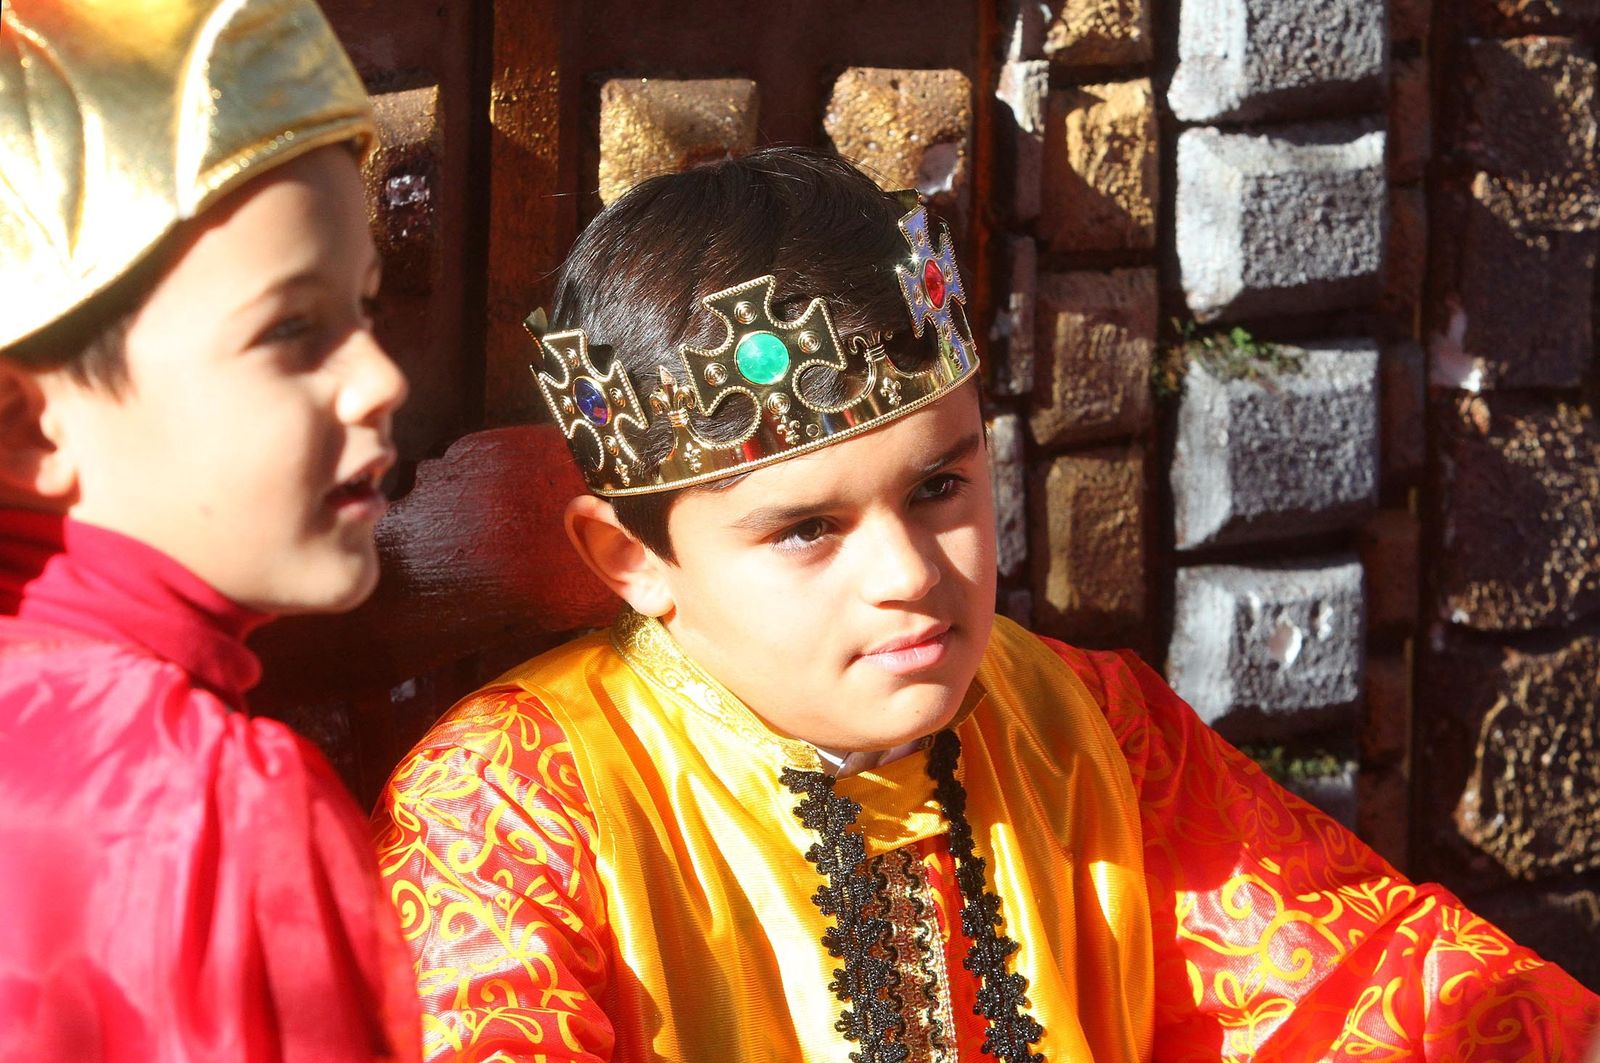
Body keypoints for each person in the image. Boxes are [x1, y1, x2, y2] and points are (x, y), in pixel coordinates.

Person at [373, 148, 1599, 1062]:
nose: (909, 571)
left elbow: (1381, 992)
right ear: (629, 558)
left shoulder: (1093, 731)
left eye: (942, 485)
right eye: (805, 526)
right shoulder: (512, 810)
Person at [0, 1, 420, 1058]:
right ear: (28, 425)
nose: (381, 378)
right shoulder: (202, 812)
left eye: (364, 310)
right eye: (290, 329)